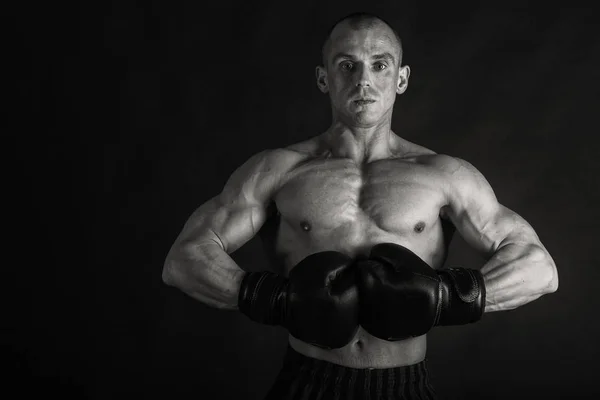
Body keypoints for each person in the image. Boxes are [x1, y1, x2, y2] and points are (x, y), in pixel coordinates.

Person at [162, 12, 558, 399]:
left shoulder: (446, 175)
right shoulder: (277, 169)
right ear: (324, 78)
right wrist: (274, 300)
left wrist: (447, 299)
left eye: (380, 65)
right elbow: (184, 259)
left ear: (401, 78)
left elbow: (539, 268)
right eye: (347, 65)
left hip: (405, 386)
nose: (364, 79)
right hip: (306, 383)